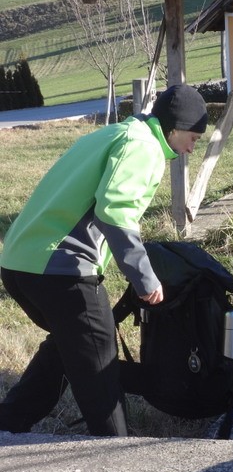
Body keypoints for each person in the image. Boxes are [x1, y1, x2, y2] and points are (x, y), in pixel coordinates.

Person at [0, 84, 208, 437]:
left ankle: (8, 421)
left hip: (20, 263)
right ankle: (115, 460)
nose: (194, 144)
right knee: (99, 368)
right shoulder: (144, 148)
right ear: (173, 128)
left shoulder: (117, 132)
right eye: (193, 135)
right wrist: (145, 278)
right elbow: (116, 212)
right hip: (61, 268)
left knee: (71, 347)